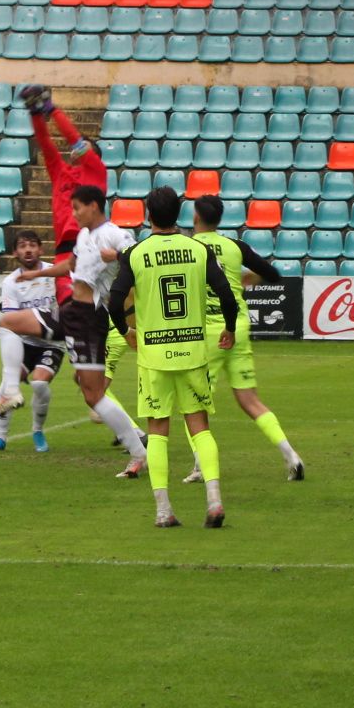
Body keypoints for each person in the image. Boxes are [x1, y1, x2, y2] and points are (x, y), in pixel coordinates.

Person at [107, 186, 238, 528]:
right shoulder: (198, 249)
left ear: (148, 214)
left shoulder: (135, 254)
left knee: (159, 431)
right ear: (178, 215)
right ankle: (214, 500)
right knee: (200, 428)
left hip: (154, 357)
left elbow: (115, 299)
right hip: (193, 351)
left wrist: (125, 331)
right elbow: (225, 293)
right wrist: (229, 328)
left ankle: (164, 510)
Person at [16, 184, 148, 476]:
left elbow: (138, 256)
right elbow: (71, 266)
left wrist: (113, 256)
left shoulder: (114, 233)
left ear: (94, 206)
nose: (74, 214)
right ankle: (137, 444)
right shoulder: (84, 235)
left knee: (93, 394)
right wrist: (37, 273)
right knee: (83, 381)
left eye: (77, 207)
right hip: (74, 312)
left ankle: (138, 449)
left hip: (91, 316)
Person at [189, 194, 305, 482]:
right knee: (249, 399)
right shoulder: (235, 246)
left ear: (195, 218)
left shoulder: (190, 248)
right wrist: (247, 279)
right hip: (238, 327)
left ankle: (202, 467)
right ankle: (291, 454)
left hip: (207, 332)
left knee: (194, 402)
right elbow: (273, 274)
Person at [19, 84, 108, 303]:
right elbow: (45, 144)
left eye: (86, 147)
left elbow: (74, 139)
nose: (78, 149)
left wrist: (52, 109)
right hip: (64, 250)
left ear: (95, 155)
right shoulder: (61, 172)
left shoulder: (97, 172)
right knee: (69, 308)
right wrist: (35, 113)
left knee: (89, 308)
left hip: (90, 246)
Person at [0, 229, 68, 452]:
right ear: (15, 253)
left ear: (41, 249)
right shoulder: (11, 282)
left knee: (40, 383)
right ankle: (1, 437)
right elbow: (13, 321)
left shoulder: (53, 272)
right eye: (22, 246)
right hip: (26, 343)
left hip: (52, 344)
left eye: (32, 245)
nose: (28, 249)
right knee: (8, 381)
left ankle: (38, 432)